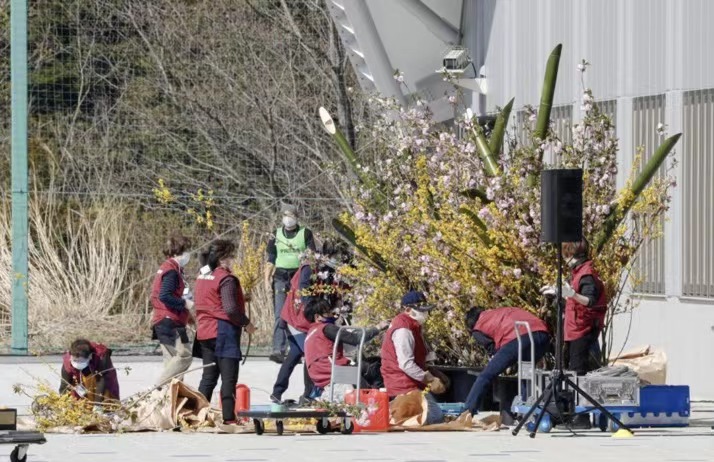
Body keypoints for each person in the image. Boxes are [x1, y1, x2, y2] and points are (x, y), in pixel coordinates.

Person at [270, 240, 351, 404]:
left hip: (311, 320)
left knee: (294, 354)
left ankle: (278, 392)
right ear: (327, 255)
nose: (338, 261)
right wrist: (318, 314)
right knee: (310, 354)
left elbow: (332, 293)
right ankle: (309, 393)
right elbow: (305, 294)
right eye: (336, 257)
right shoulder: (309, 268)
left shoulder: (329, 271)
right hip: (297, 318)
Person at [195, 239, 257, 424]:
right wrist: (247, 324)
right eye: (231, 256)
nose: (233, 260)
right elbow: (230, 309)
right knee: (228, 378)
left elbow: (212, 299)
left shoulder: (203, 275)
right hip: (223, 332)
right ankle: (229, 417)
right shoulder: (227, 278)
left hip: (204, 331)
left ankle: (199, 415)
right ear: (223, 258)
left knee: (208, 378)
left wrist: (242, 298)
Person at [462, 307, 551, 415]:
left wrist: (503, 360)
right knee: (526, 374)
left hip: (519, 337)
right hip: (542, 334)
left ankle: (467, 412)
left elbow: (492, 348)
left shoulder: (477, 327)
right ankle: (526, 412)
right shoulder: (500, 311)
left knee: (485, 376)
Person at [542, 238, 607, 376]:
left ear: (572, 254)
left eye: (566, 255)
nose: (565, 260)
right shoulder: (578, 272)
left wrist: (572, 294)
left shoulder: (586, 274)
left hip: (583, 329)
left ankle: (579, 396)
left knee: (578, 370)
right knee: (570, 367)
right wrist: (558, 292)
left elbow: (590, 300)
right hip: (574, 328)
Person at [380, 291, 446, 425]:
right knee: (435, 416)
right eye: (421, 310)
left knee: (434, 414)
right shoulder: (403, 330)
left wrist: (433, 372)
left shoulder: (413, 326)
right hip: (402, 383)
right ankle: (396, 414)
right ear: (408, 309)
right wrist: (430, 378)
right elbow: (406, 364)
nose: (425, 314)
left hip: (412, 381)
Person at [303, 299, 388, 398]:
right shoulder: (326, 328)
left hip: (321, 376)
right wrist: (378, 327)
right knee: (375, 367)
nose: (332, 314)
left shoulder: (309, 335)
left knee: (367, 364)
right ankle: (381, 400)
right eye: (328, 312)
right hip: (335, 372)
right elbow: (355, 338)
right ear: (317, 317)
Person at [264, 204, 317, 364]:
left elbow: (312, 255)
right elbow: (271, 258)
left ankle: (301, 348)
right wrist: (267, 279)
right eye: (285, 215)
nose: (288, 218)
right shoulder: (276, 234)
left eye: (291, 215)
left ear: (296, 217)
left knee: (300, 312)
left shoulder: (305, 233)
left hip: (299, 277)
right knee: (280, 313)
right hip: (280, 276)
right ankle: (278, 349)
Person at [150, 234, 195, 386]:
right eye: (187, 250)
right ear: (180, 251)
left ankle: (169, 400)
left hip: (164, 321)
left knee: (172, 363)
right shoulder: (171, 271)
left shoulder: (170, 268)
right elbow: (165, 296)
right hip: (169, 321)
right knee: (184, 355)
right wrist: (184, 304)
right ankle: (160, 386)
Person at [59, 339, 120, 411]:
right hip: (79, 380)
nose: (77, 363)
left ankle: (107, 410)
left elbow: (101, 380)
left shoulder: (101, 356)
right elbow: (65, 384)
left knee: (107, 400)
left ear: (90, 356)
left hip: (101, 381)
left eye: (81, 361)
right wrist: (63, 403)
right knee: (78, 403)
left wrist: (98, 404)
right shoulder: (68, 361)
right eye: (75, 360)